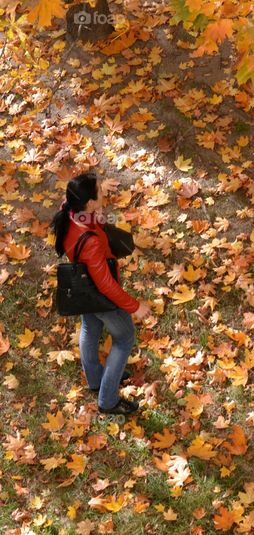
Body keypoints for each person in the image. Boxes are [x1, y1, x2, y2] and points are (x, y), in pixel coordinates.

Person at [50, 172, 150, 415]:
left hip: (84, 290)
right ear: (90, 202)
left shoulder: (71, 211)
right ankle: (107, 400)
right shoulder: (91, 244)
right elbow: (106, 285)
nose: (105, 193)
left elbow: (92, 223)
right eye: (100, 191)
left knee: (90, 328)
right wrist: (135, 307)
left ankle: (96, 379)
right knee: (124, 338)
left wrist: (100, 220)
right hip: (100, 295)